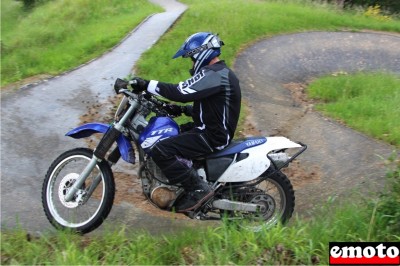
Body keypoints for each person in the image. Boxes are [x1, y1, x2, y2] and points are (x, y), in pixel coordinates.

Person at [130, 32, 241, 212]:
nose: (191, 63)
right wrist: (181, 110)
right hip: (209, 130)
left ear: (201, 53)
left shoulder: (215, 74)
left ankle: (197, 188)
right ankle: (181, 184)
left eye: (191, 58)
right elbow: (213, 108)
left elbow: (180, 92)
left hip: (212, 135)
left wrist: (146, 84)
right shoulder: (218, 73)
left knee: (161, 149)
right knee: (168, 135)